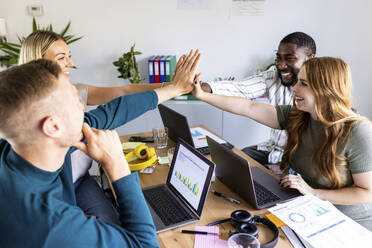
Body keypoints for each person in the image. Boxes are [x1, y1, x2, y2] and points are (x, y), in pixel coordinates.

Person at [0, 52, 200, 246]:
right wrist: (117, 165)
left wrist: (174, 89)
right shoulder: (53, 226)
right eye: (75, 100)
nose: (82, 105)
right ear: (53, 126)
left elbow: (109, 113)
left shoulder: (19, 147)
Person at [18, 30, 191, 224]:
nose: (71, 64)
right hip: (51, 191)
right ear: (37, 64)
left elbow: (123, 92)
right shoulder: (27, 113)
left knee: (112, 221)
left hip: (80, 180)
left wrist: (171, 87)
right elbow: (108, 114)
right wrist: (174, 89)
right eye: (61, 58)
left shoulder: (74, 90)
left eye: (69, 56)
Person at [193, 57, 372, 230]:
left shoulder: (358, 131)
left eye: (304, 83)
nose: (294, 88)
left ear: (326, 89)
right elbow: (249, 107)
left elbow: (367, 192)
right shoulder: (301, 116)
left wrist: (315, 193)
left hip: (346, 223)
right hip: (308, 208)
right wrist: (202, 95)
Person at [200, 32, 316, 168]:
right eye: (278, 58)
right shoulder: (274, 77)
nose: (281, 65)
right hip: (273, 149)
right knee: (235, 161)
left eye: (289, 59)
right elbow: (242, 92)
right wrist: (200, 89)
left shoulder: (322, 94)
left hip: (300, 158)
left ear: (310, 59)